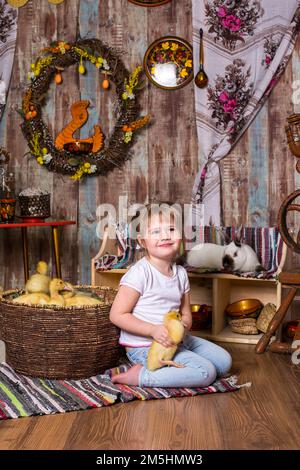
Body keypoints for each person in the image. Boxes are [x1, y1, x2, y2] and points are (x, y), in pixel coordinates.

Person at [110, 203, 232, 388]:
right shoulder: (140, 273)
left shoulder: (181, 273)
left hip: (177, 340)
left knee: (224, 362)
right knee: (206, 372)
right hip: (146, 346)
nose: (166, 236)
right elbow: (117, 315)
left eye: (171, 229)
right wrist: (152, 330)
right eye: (156, 232)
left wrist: (183, 325)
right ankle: (141, 376)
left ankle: (182, 368)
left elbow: (185, 313)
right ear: (142, 242)